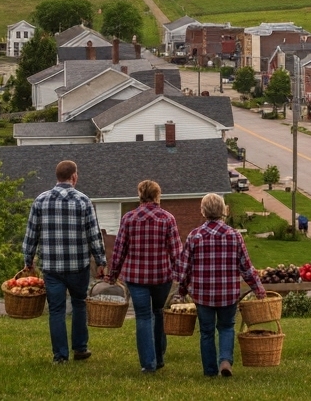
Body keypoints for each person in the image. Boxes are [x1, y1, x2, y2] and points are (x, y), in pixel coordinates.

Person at [22, 160, 107, 365]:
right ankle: (80, 348)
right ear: (74, 177)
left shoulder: (40, 200)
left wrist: (28, 260)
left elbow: (31, 234)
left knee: (56, 310)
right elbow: (94, 235)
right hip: (78, 265)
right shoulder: (83, 201)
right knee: (79, 304)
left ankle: (60, 356)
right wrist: (101, 260)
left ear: (57, 176)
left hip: (52, 267)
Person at [176, 193, 264, 377]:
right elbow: (246, 267)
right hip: (228, 294)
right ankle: (225, 361)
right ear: (223, 210)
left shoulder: (194, 236)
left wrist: (182, 290)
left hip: (203, 294)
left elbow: (185, 269)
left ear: (203, 211)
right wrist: (258, 288)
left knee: (206, 331)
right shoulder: (234, 236)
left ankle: (209, 371)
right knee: (226, 327)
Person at [108, 180, 181, 374]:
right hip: (161, 276)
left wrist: (113, 274)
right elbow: (176, 252)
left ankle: (148, 364)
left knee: (142, 317)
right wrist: (182, 277)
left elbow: (119, 250)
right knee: (158, 312)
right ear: (157, 196)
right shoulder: (167, 219)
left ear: (140, 195)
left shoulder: (129, 218)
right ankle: (159, 357)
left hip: (135, 277)